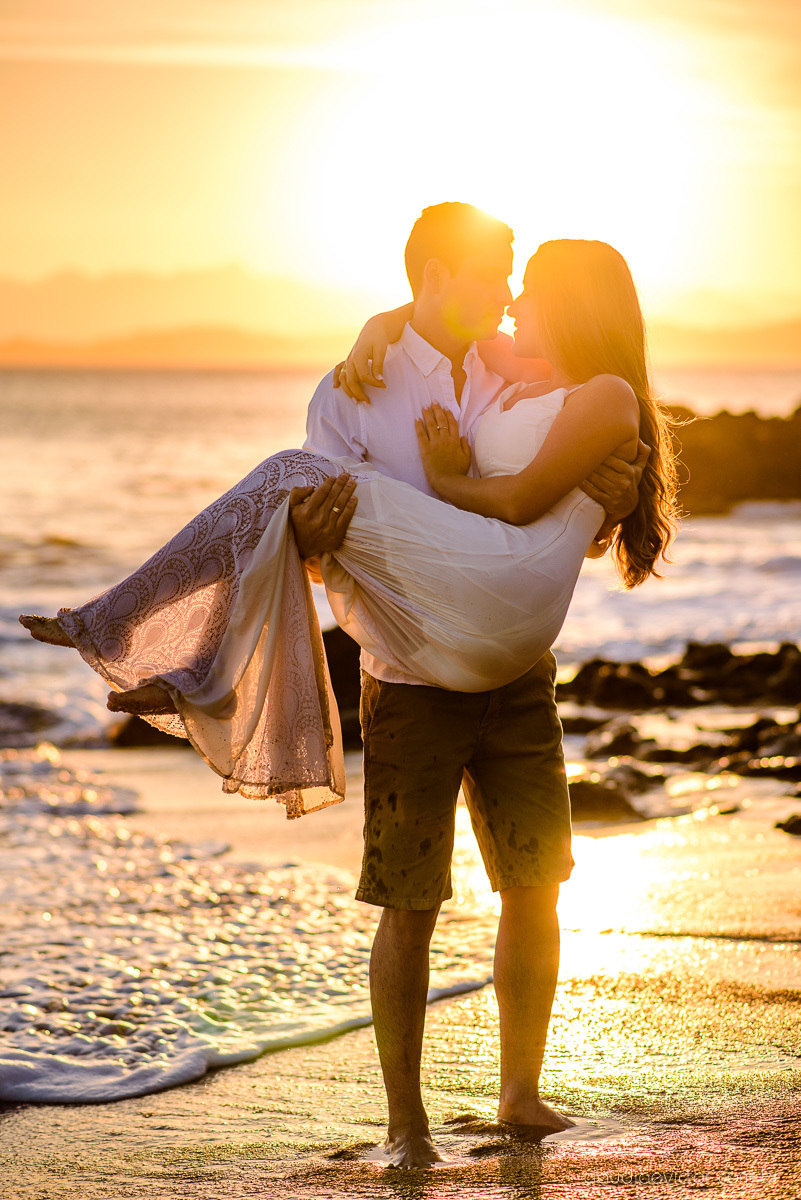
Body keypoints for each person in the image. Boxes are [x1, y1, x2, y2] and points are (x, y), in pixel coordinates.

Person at [21, 205, 677, 1168]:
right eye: (496, 275)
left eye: (520, 282)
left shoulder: (514, 369)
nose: (508, 298)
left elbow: (540, 501)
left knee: (535, 886)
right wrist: (322, 538)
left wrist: (595, 498)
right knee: (407, 902)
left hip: (512, 662)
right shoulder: (354, 388)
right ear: (437, 278)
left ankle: (520, 1092)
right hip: (412, 669)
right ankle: (405, 1124)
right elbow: (327, 556)